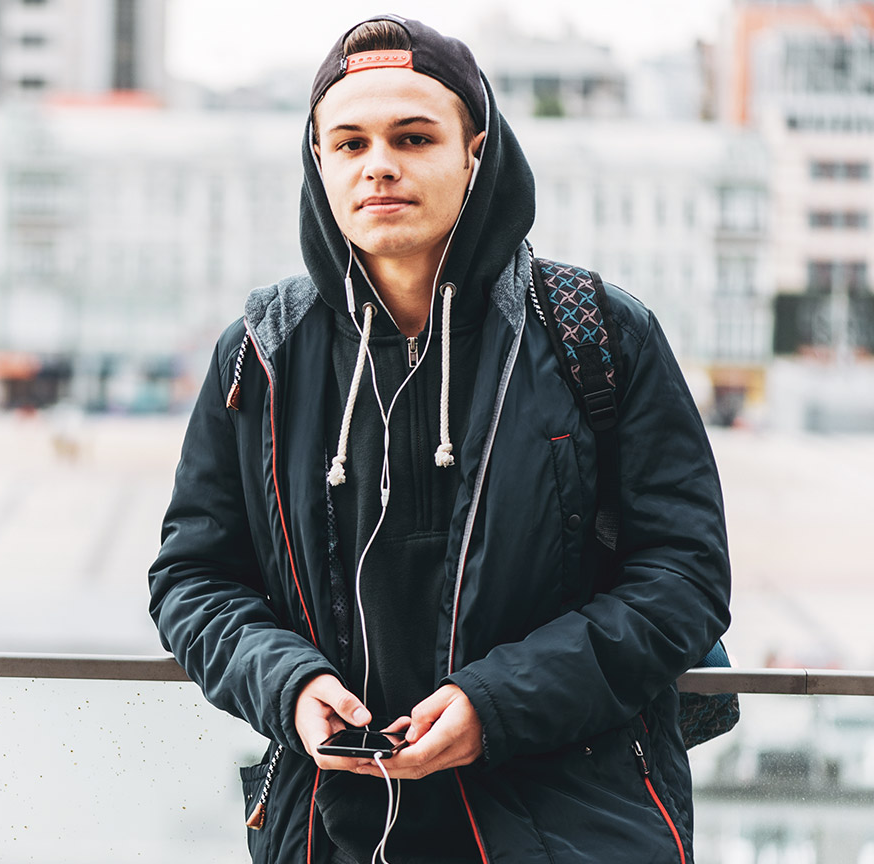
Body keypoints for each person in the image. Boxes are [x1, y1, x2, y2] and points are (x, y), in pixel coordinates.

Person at [147, 15, 730, 864]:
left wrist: (495, 706)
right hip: (331, 828)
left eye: (412, 136)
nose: (377, 163)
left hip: (570, 826)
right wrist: (290, 686)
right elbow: (192, 579)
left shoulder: (596, 333)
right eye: (347, 143)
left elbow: (684, 578)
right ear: (319, 163)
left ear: (474, 151)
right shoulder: (261, 354)